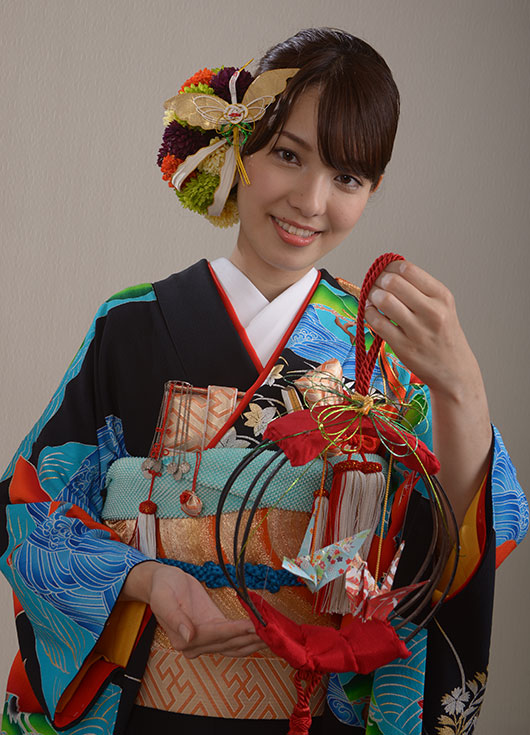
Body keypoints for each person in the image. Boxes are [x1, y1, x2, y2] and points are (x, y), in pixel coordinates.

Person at [0, 27, 526, 735]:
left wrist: (461, 387)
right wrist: (146, 578)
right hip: (146, 708)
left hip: (312, 711)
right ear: (237, 146)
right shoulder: (130, 325)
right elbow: (28, 505)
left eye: (347, 178)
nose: (310, 200)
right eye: (288, 155)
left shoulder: (382, 353)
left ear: (372, 189)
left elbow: (462, 537)